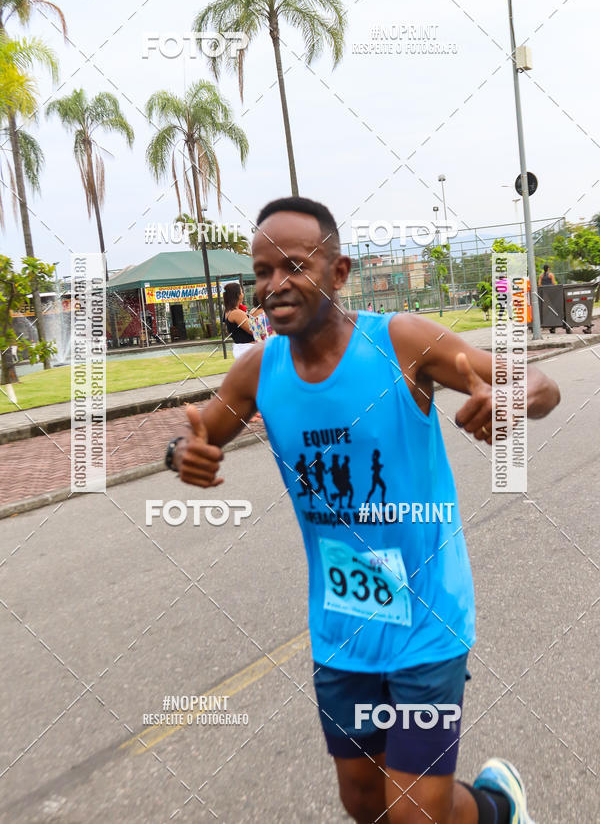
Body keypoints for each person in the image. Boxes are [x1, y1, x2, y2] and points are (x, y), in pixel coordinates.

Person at [168, 197, 560, 824]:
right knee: (363, 803)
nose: (275, 285)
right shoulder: (256, 372)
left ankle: (496, 804)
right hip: (341, 625)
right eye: (263, 271)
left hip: (429, 617)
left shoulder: (399, 343)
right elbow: (199, 436)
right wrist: (181, 453)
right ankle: (495, 811)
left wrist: (521, 394)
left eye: (294, 265)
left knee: (411, 813)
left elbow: (536, 382)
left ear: (339, 272)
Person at [222, 282, 255, 358]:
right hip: (247, 349)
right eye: (241, 292)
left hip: (243, 349)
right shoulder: (236, 313)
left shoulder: (228, 311)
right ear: (238, 295)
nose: (243, 294)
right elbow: (254, 330)